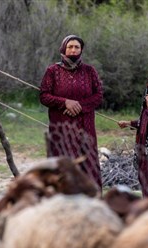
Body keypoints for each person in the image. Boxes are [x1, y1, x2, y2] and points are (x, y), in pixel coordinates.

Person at [39, 34, 103, 193]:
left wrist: (80, 105)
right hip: (61, 128)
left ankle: (91, 199)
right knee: (63, 162)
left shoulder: (89, 71)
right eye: (70, 47)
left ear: (81, 50)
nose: (73, 50)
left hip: (85, 127)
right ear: (63, 48)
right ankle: (60, 199)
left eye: (77, 47)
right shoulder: (52, 71)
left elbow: (98, 95)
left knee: (87, 162)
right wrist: (65, 102)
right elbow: (44, 95)